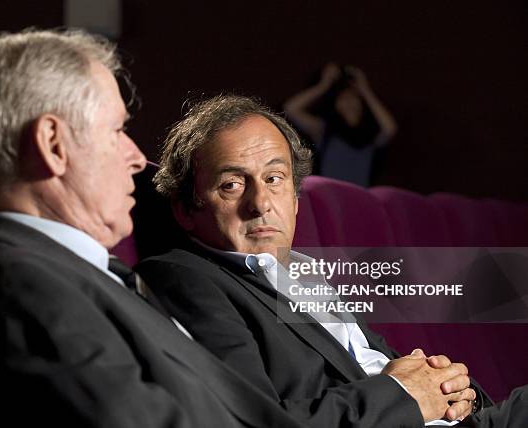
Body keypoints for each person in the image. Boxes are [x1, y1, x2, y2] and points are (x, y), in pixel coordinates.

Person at [0, 30, 307, 428]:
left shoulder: (81, 275)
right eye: (117, 131)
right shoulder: (21, 287)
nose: (138, 159)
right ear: (53, 144)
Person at [136, 94, 527, 427]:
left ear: (294, 198)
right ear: (187, 209)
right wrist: (402, 395)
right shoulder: (185, 277)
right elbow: (253, 419)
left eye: (274, 179)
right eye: (232, 185)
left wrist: (456, 392)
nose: (260, 204)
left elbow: (376, 364)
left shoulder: (302, 271)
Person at [284, 63, 397, 186]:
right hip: (330, 199)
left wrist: (365, 89)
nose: (349, 102)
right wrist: (323, 86)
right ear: (335, 106)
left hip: (360, 200)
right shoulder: (324, 131)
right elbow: (291, 109)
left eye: (354, 98)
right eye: (343, 99)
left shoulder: (370, 139)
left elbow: (390, 128)